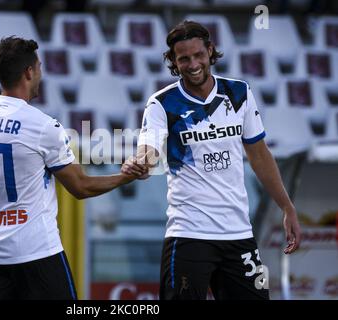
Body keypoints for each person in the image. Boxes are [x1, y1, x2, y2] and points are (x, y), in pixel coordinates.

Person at [122, 20, 302, 300]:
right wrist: (140, 163)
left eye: (198, 55)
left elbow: (260, 155)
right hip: (189, 234)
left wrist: (287, 206)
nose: (193, 64)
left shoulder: (239, 93)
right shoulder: (161, 103)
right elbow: (149, 149)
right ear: (173, 61)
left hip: (238, 234)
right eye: (184, 59)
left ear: (210, 51)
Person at [0, 36, 144, 300]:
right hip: (39, 256)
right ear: (29, 72)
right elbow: (81, 187)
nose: (40, 73)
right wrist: (125, 177)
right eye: (38, 66)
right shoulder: (42, 125)